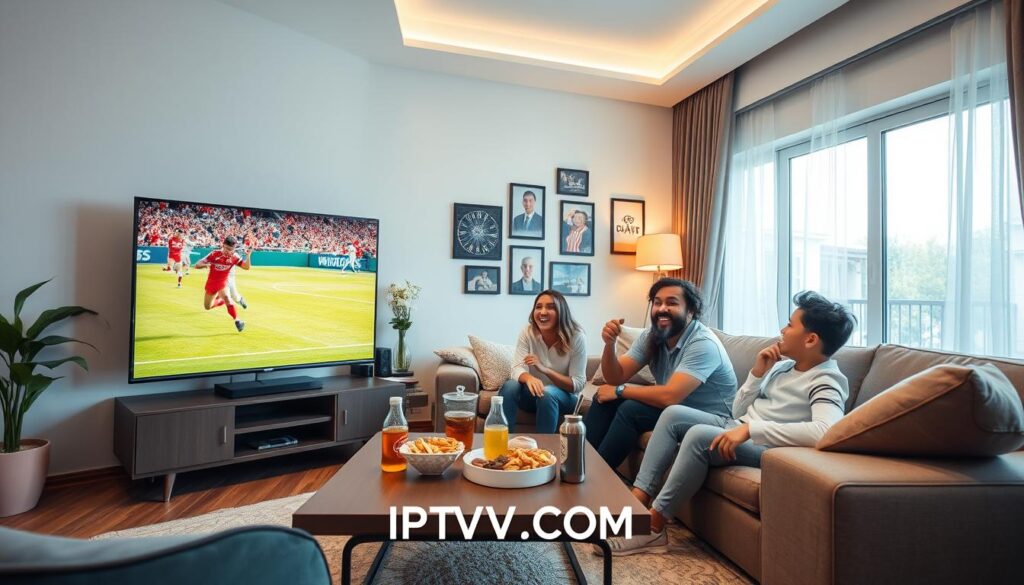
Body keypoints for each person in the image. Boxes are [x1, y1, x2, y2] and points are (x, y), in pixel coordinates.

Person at [603, 291, 855, 555]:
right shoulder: (783, 367)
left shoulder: (827, 380)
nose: (782, 329)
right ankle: (637, 499)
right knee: (673, 413)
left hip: (770, 447)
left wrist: (750, 430)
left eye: (791, 324)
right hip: (739, 426)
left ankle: (653, 528)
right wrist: (758, 374)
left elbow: (826, 431)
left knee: (700, 436)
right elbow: (738, 409)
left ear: (811, 339)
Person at [584, 278, 737, 470]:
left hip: (710, 419)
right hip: (674, 410)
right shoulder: (652, 337)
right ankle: (578, 465)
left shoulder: (703, 343)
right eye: (657, 302)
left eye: (672, 303)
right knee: (603, 398)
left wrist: (620, 390)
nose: (662, 308)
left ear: (690, 310)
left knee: (631, 410)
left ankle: (597, 476)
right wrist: (609, 344)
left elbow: (670, 396)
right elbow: (615, 377)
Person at [498, 290, 586, 433]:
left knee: (548, 393)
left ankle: (543, 451)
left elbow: (577, 384)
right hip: (533, 396)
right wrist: (529, 378)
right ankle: (502, 444)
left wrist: (544, 369)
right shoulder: (527, 332)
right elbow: (516, 369)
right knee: (510, 386)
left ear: (561, 312)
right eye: (538, 307)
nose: (543, 312)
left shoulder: (576, 337)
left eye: (551, 307)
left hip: (563, 398)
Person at [195, 236, 252, 332]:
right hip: (211, 283)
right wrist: (206, 265)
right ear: (223, 245)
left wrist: (248, 256)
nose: (229, 251)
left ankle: (237, 321)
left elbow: (246, 267)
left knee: (227, 298)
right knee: (207, 307)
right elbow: (197, 265)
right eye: (227, 248)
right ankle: (220, 301)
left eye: (231, 249)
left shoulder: (235, 257)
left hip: (223, 282)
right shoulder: (214, 254)